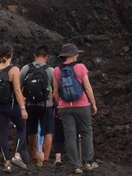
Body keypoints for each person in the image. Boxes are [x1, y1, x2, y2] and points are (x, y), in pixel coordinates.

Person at [53, 43, 98, 174]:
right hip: (82, 105)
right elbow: (88, 88)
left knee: (70, 136)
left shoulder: (57, 70)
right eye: (77, 53)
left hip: (64, 107)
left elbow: (55, 92)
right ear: (73, 55)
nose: (78, 55)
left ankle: (76, 166)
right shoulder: (81, 67)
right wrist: (93, 104)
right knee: (86, 132)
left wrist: (59, 105)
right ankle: (88, 163)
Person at [0, 44, 29, 172]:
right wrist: (23, 108)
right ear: (11, 55)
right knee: (22, 128)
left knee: (3, 133)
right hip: (12, 106)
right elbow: (17, 90)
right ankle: (17, 155)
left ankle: (7, 163)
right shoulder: (14, 70)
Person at [20, 45, 55, 167]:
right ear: (47, 56)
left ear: (34, 55)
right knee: (48, 131)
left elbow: (19, 87)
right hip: (46, 105)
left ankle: (34, 157)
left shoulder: (25, 69)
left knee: (31, 131)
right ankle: (45, 159)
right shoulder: (51, 70)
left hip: (30, 104)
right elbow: (55, 89)